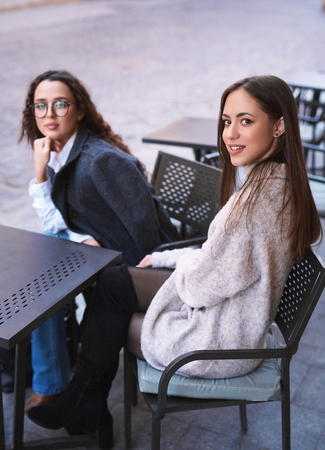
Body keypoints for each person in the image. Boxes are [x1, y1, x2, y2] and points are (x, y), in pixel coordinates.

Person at [27, 75, 322, 449]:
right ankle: (85, 406)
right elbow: (224, 260)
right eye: (227, 121)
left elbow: (203, 286)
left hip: (221, 341)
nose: (231, 134)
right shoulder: (271, 180)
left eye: (246, 121)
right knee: (115, 285)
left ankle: (84, 405)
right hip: (233, 312)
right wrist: (168, 257)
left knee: (111, 302)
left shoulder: (255, 206)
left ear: (279, 125)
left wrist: (174, 266)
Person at [19, 70, 180, 413]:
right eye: (40, 106)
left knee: (41, 282)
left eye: (60, 104)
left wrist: (130, 283)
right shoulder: (55, 152)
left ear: (79, 110)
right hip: (93, 255)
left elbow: (145, 235)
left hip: (137, 270)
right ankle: (47, 377)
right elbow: (57, 222)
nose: (49, 114)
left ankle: (58, 388)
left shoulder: (101, 161)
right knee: (38, 266)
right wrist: (39, 172)